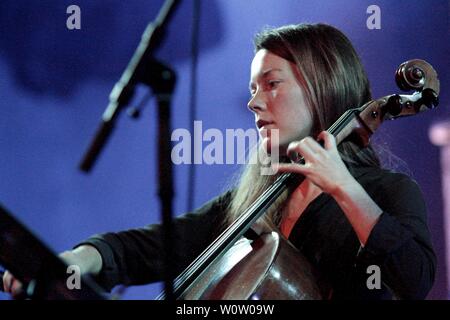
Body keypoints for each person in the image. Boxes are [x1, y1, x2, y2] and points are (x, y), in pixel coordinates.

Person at [3, 23, 436, 300]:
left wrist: (344, 187)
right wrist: (77, 262)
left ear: (322, 87)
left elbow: (413, 280)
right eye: (252, 87)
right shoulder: (261, 202)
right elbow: (152, 247)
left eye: (271, 84)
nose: (253, 102)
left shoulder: (386, 191)